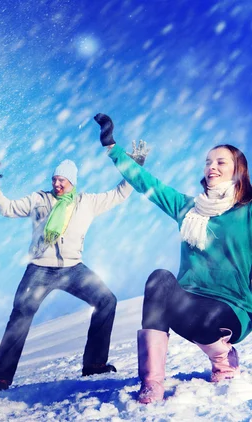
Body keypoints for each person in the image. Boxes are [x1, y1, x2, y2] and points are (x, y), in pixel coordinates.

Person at [94, 113, 252, 404]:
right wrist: (111, 148)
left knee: (209, 317)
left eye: (220, 162)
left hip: (233, 307)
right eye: (207, 161)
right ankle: (152, 382)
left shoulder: (248, 212)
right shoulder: (188, 208)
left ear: (238, 170)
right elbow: (145, 182)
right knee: (159, 280)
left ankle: (223, 358)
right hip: (190, 301)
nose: (211, 167)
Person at [0, 142, 148, 391]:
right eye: (55, 179)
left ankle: (94, 365)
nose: (57, 184)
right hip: (39, 268)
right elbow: (7, 208)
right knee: (20, 314)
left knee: (107, 301)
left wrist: (134, 168)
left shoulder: (87, 202)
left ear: (73, 182)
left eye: (63, 181)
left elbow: (120, 193)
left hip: (73, 269)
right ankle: (2, 378)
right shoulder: (39, 199)